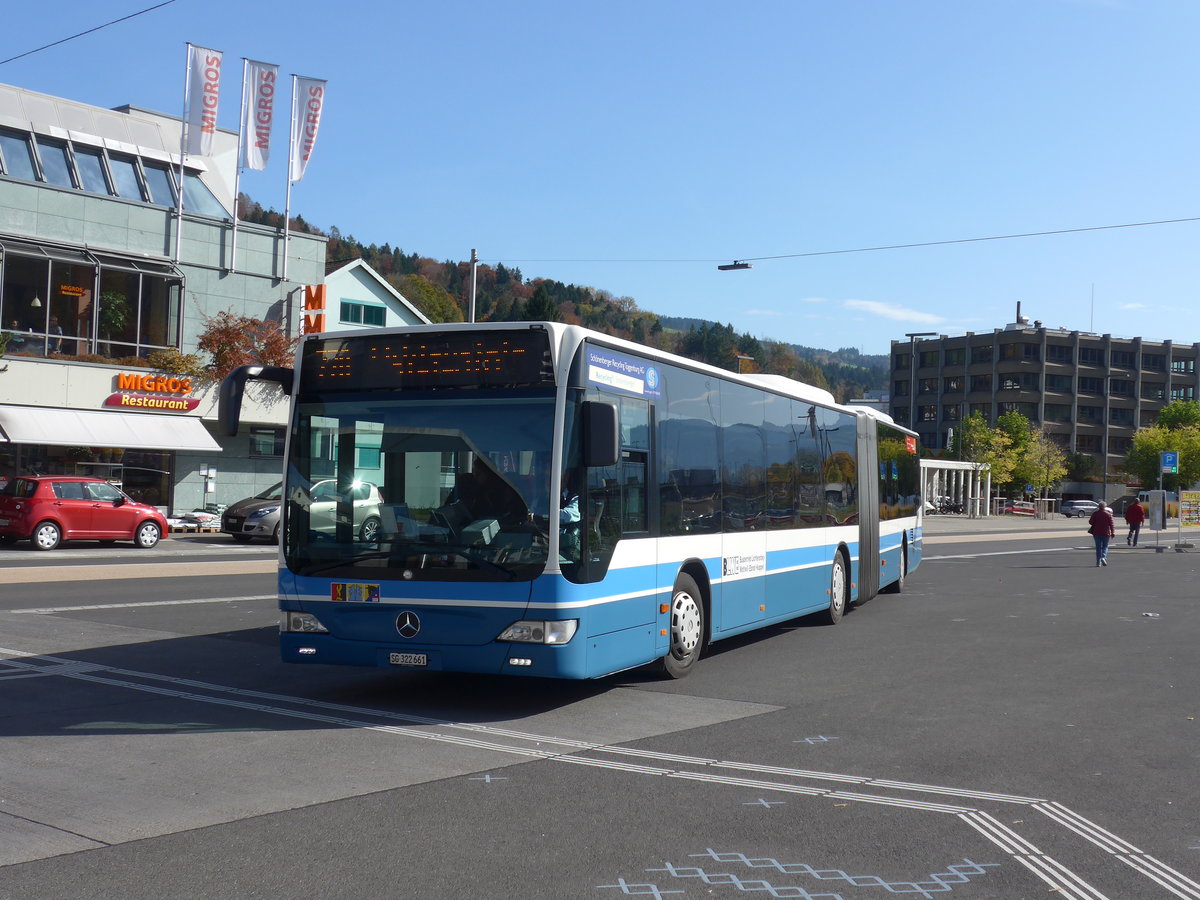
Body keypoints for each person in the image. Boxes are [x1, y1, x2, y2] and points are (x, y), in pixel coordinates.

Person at [1088, 500, 1116, 567]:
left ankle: (1098, 562)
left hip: (1096, 532)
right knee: (1105, 546)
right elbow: (1111, 524)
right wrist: (1113, 532)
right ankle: (1103, 557)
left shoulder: (1095, 514)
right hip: (1106, 532)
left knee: (1098, 548)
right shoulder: (1108, 514)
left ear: (1098, 506)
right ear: (1105, 507)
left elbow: (1090, 522)